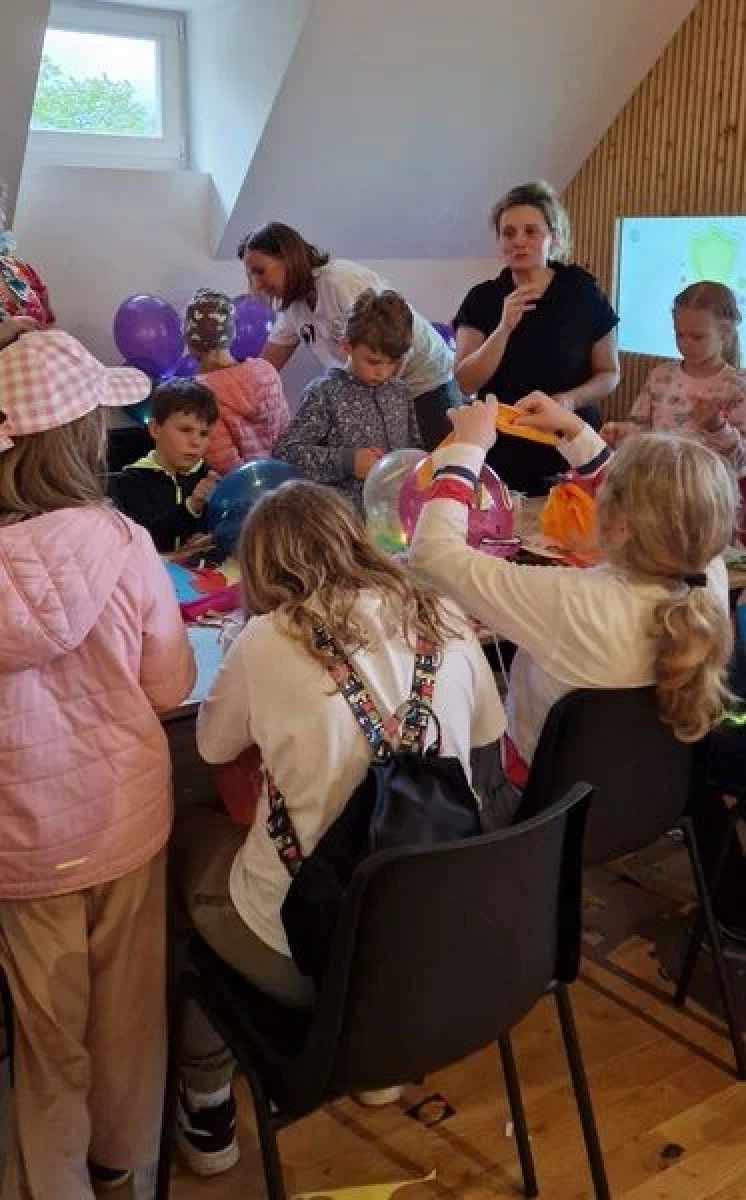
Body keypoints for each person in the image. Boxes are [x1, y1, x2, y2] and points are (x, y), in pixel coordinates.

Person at [171, 480, 504, 1176]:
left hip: (305, 934)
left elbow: (211, 745)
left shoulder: (264, 638)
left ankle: (206, 1101)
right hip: (439, 927)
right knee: (375, 864)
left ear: (262, 567)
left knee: (190, 844)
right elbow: (483, 735)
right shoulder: (442, 613)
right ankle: (376, 1059)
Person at [0, 330, 195, 1200]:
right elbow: (168, 686)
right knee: (128, 1009)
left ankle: (55, 1181)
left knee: (47, 1033)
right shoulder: (124, 541)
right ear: (85, 437)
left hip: (21, 841)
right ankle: (125, 1157)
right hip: (123, 818)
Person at [409, 393, 736, 808]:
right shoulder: (707, 576)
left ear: (617, 524)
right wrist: (575, 432)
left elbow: (433, 554)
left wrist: (465, 452)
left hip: (538, 806)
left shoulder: (573, 602)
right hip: (650, 798)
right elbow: (663, 508)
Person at [452, 180, 620, 495]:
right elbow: (466, 382)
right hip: (502, 449)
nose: (519, 241)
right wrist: (503, 328)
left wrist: (570, 400)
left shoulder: (583, 293)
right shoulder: (482, 299)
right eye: (509, 233)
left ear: (553, 238)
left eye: (531, 232)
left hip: (570, 444)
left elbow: (609, 373)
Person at [239, 221, 459, 449]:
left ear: (287, 257)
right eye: (251, 275)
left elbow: (391, 339)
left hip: (426, 382)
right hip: (382, 388)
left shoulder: (340, 283)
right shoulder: (292, 308)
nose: (257, 284)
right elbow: (267, 365)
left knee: (436, 458)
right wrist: (232, 389)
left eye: (260, 271)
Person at [273, 288, 422, 511]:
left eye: (392, 362)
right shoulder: (325, 392)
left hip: (392, 516)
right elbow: (286, 454)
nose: (383, 372)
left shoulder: (399, 391)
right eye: (373, 361)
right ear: (347, 346)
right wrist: (347, 462)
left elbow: (413, 446)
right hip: (343, 518)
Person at [601, 281, 746, 474]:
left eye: (697, 337)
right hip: (658, 479)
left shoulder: (737, 387)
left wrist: (717, 428)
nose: (685, 344)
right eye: (679, 335)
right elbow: (642, 431)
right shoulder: (661, 377)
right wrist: (620, 434)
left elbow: (740, 461)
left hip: (709, 487)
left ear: (726, 333)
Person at [184, 288, 289, 474]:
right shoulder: (266, 371)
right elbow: (287, 436)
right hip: (281, 479)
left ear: (190, 341)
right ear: (231, 334)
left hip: (241, 487)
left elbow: (223, 462)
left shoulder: (200, 393)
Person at [112, 377, 220, 553]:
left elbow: (222, 529)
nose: (196, 442)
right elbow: (142, 539)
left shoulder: (209, 478)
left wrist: (212, 539)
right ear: (155, 429)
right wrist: (191, 506)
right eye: (186, 430)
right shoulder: (131, 481)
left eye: (204, 433)